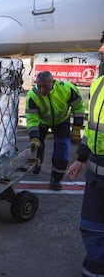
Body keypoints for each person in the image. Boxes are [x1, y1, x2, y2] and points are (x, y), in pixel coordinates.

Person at [66, 33, 104, 276]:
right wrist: (80, 159)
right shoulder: (98, 83)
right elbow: (94, 130)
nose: (101, 49)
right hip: (96, 178)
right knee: (91, 227)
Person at [25, 70, 85, 190]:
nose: (42, 90)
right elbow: (32, 118)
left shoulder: (66, 89)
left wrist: (77, 128)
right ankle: (38, 162)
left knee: (62, 149)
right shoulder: (32, 95)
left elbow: (78, 107)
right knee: (37, 146)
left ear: (52, 82)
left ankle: (56, 178)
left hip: (61, 121)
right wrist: (34, 137)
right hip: (42, 122)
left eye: (45, 86)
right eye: (39, 86)